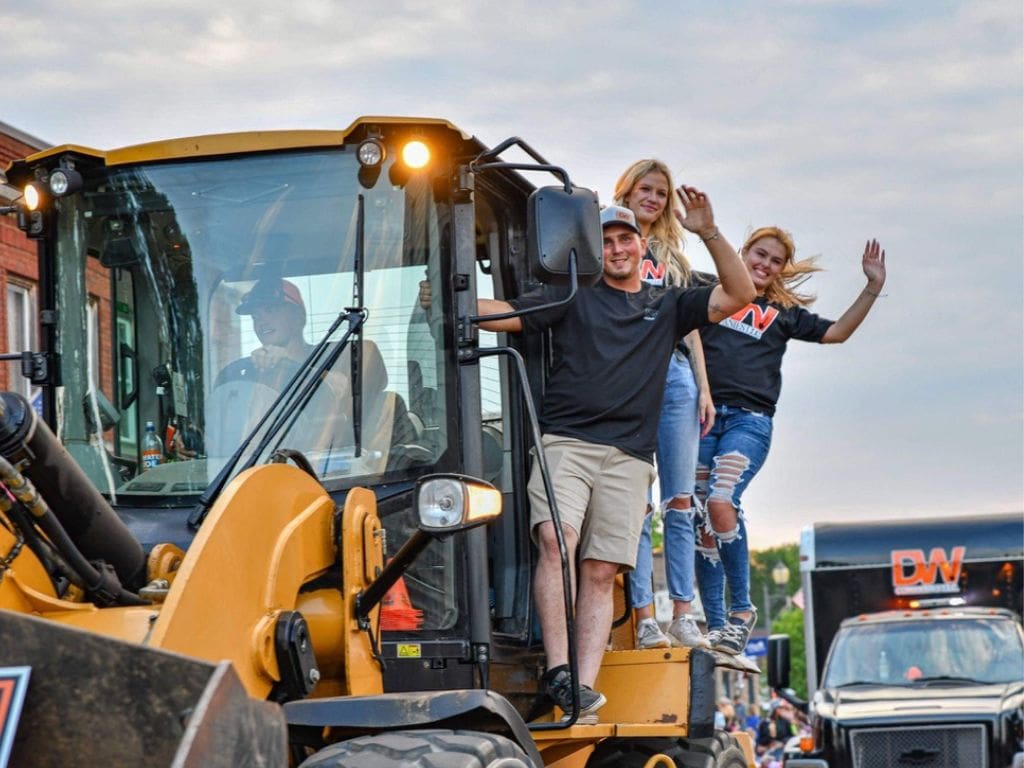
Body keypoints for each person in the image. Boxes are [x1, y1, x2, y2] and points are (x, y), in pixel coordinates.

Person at [477, 198, 755, 723]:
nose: (616, 248)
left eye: (624, 238)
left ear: (641, 246)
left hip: (629, 458)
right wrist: (450, 298)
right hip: (567, 444)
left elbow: (741, 294)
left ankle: (580, 691)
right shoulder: (572, 299)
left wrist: (711, 231)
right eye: (605, 241)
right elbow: (507, 315)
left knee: (602, 571)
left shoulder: (669, 304)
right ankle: (558, 669)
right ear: (594, 251)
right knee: (555, 540)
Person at [694, 228, 887, 654]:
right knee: (701, 519)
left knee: (722, 500)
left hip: (750, 420)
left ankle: (742, 612)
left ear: (782, 269)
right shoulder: (707, 292)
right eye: (758, 254)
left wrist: (872, 287)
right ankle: (716, 624)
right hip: (703, 416)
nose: (764, 264)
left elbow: (836, 332)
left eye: (775, 261)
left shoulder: (783, 311)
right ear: (741, 252)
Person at [614, 159, 714, 650]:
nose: (652, 198)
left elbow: (689, 323)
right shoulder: (609, 241)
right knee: (636, 501)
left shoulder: (672, 254)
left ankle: (682, 611)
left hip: (675, 372)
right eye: (644, 189)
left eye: (660, 192)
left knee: (679, 499)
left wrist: (704, 386)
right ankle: (644, 614)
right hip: (630, 371)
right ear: (627, 192)